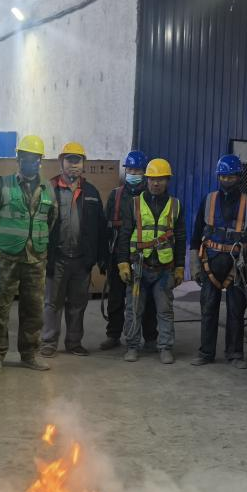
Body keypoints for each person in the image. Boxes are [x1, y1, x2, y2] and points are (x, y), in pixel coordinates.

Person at [0, 134, 57, 374]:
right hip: (6, 258)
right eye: (25, 157)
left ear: (40, 161)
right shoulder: (1, 185)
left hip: (35, 258)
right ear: (18, 158)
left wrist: (36, 241)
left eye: (35, 158)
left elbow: (51, 220)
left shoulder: (48, 189)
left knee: (34, 309)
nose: (30, 162)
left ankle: (30, 354)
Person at [190, 153, 247, 368]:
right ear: (218, 177)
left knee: (236, 311)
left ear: (239, 177)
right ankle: (206, 353)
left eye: (231, 177)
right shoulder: (209, 200)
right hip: (210, 262)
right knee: (208, 309)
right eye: (223, 177)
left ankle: (235, 354)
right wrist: (194, 264)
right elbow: (196, 234)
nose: (226, 180)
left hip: (237, 265)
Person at [40, 142, 106, 357]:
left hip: (81, 260)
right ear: (61, 162)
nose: (73, 165)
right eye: (69, 160)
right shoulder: (49, 189)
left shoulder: (91, 191)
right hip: (56, 258)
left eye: (77, 161)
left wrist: (100, 257)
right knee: (52, 303)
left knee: (78, 304)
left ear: (83, 164)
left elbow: (100, 227)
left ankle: (74, 342)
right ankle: (48, 342)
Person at [116, 158, 184, 364]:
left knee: (165, 311)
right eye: (152, 179)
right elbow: (124, 234)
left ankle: (165, 347)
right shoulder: (134, 203)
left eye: (161, 179)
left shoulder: (175, 205)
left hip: (164, 270)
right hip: (138, 267)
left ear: (167, 180)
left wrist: (180, 267)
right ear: (147, 180)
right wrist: (122, 262)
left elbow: (180, 238)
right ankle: (132, 346)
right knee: (134, 309)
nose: (156, 183)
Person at [100, 150, 158, 351]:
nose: (133, 173)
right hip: (118, 253)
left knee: (148, 299)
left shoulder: (151, 197)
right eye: (130, 170)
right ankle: (113, 334)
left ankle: (150, 337)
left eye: (138, 170)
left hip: (144, 255)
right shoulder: (116, 195)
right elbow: (105, 227)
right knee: (116, 297)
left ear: (145, 172)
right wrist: (104, 257)